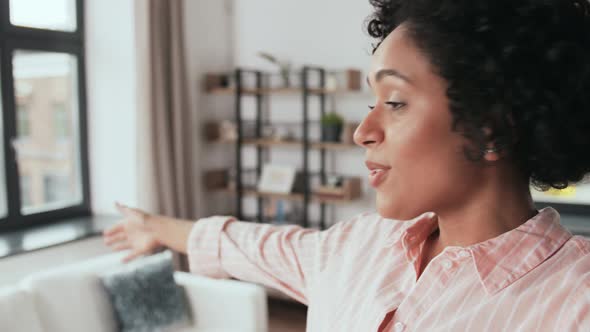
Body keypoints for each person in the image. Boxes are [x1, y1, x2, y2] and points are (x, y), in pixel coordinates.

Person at [103, 0, 590, 330]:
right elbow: (249, 245)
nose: (362, 131)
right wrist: (156, 228)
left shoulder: (575, 303)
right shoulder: (356, 247)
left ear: (489, 130)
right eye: (370, 101)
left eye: (395, 102)